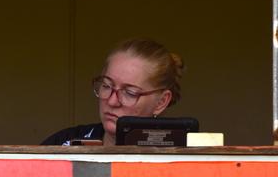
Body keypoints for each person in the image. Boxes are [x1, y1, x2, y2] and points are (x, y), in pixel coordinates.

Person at [41, 38, 184, 146]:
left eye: (130, 93)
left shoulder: (186, 160)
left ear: (161, 102)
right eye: (107, 86)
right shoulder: (63, 144)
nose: (112, 101)